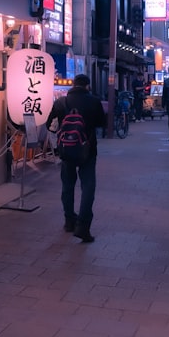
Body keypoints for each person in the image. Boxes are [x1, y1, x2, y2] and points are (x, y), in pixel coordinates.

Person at [45, 74, 104, 243]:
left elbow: (50, 124)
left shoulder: (61, 102)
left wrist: (63, 132)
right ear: (87, 86)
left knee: (67, 186)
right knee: (88, 187)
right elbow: (101, 123)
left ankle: (69, 221)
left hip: (66, 151)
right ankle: (83, 227)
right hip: (88, 150)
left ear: (73, 85)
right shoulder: (94, 101)